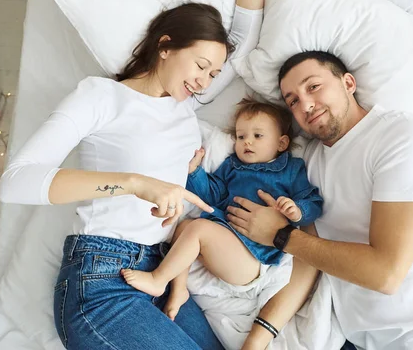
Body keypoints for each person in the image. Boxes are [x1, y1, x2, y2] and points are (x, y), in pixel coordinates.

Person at [0, 0, 314, 348]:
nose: (205, 81)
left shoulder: (185, 104)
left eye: (214, 73)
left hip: (162, 270)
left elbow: (245, 34)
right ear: (165, 46)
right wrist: (134, 184)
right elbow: (16, 182)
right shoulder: (101, 96)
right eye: (200, 66)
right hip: (101, 279)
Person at [225, 51, 413, 349]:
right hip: (353, 341)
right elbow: (308, 257)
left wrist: (280, 235)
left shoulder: (401, 137)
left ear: (348, 82)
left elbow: (385, 274)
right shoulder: (308, 161)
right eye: (293, 100)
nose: (306, 105)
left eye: (313, 87)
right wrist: (259, 336)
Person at [121, 97, 323, 316]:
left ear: (281, 143)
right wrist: (194, 172)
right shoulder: (232, 166)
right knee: (185, 226)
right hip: (225, 241)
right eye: (241, 136)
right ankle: (179, 289)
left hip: (253, 259)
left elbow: (312, 202)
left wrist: (297, 210)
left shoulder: (291, 170)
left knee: (198, 229)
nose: (247, 142)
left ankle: (158, 279)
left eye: (258, 136)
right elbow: (212, 195)